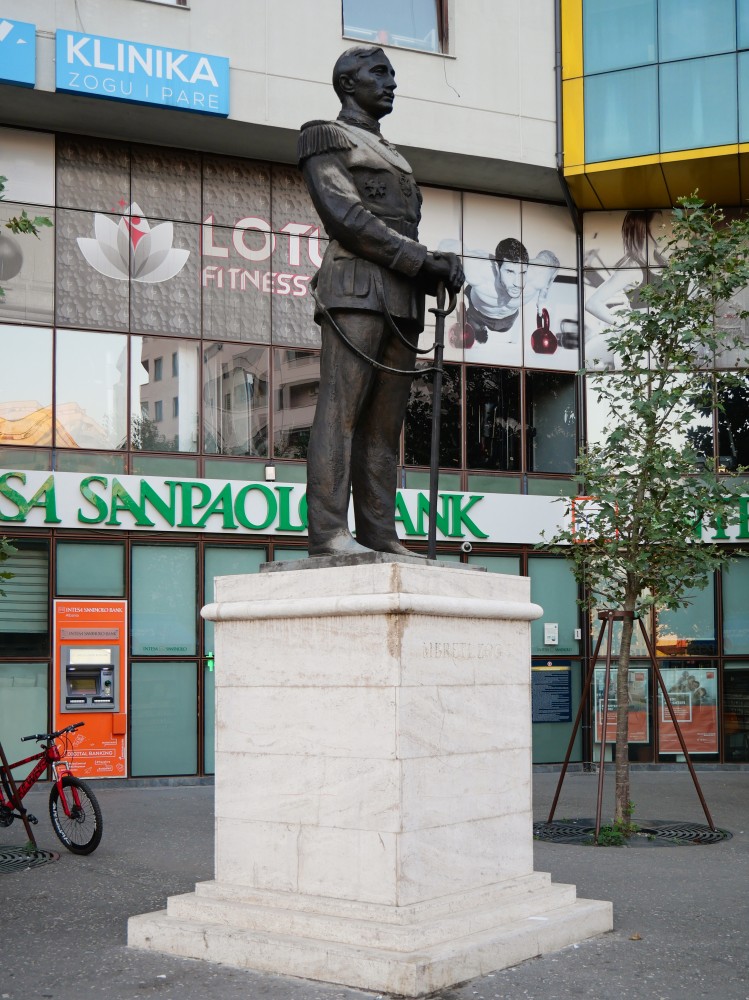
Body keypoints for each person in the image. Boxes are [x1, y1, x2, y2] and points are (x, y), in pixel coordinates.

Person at [298, 46, 464, 557]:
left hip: (401, 296)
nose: (391, 83)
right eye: (379, 73)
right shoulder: (324, 136)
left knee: (384, 425)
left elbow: (401, 226)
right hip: (355, 288)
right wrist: (421, 260)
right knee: (340, 411)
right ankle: (329, 532)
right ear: (348, 83)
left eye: (392, 74)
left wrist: (437, 262)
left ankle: (379, 533)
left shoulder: (394, 154)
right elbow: (346, 218)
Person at [585, 210, 666, 368]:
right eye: (658, 225)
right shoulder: (632, 267)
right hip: (641, 349)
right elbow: (592, 303)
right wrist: (627, 326)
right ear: (643, 229)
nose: (663, 228)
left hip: (661, 343)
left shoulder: (660, 260)